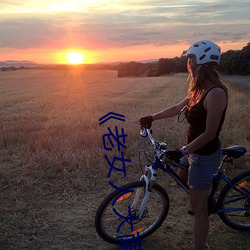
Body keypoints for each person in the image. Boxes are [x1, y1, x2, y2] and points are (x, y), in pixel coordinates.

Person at [139, 40, 228, 250]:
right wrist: (152, 117)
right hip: (192, 151)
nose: (188, 63)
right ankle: (201, 195)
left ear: (199, 63)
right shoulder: (199, 89)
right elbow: (177, 108)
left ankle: (201, 216)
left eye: (191, 59)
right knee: (182, 179)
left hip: (204, 155)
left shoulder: (215, 93)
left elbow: (209, 133)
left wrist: (182, 151)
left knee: (199, 210)